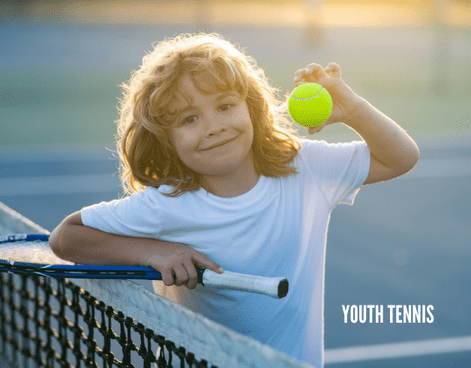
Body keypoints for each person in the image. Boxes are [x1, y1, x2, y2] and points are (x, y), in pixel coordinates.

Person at [49, 33, 419, 367]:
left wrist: (352, 109)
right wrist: (152, 252)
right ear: (166, 139)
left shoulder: (305, 168)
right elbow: (66, 237)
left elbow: (401, 157)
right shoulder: (168, 203)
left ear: (252, 108)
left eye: (225, 106)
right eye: (190, 119)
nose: (214, 126)